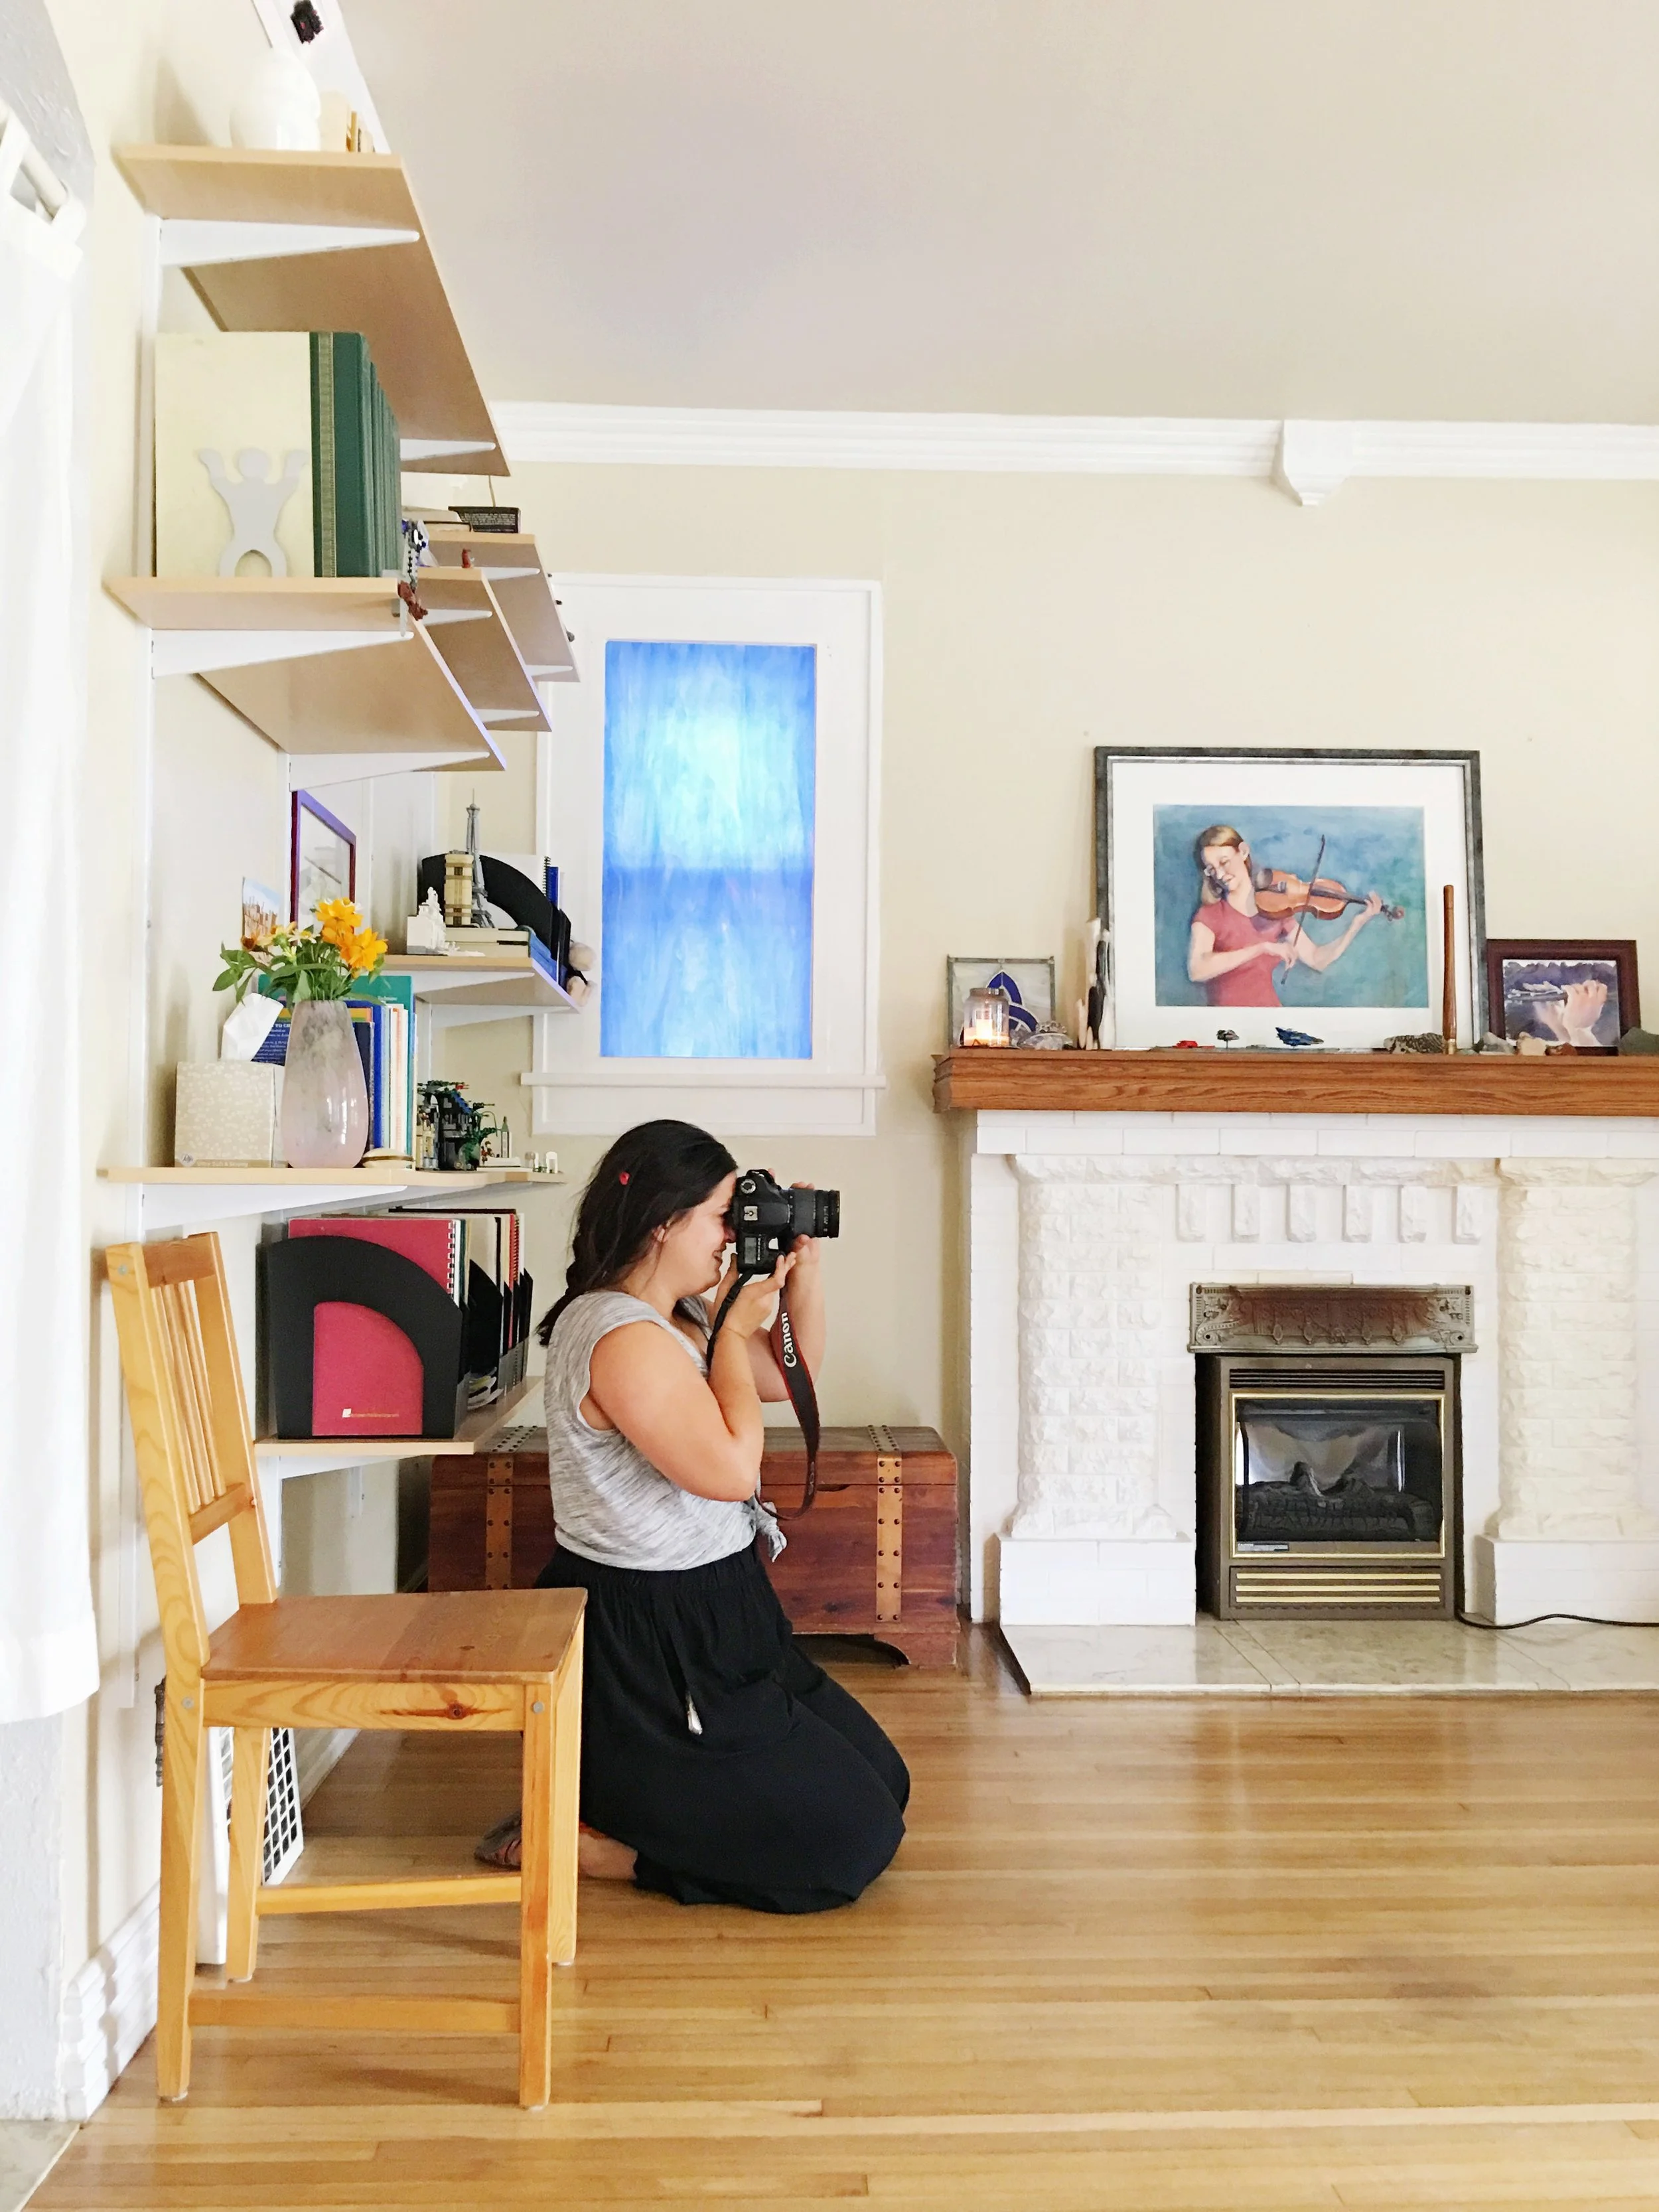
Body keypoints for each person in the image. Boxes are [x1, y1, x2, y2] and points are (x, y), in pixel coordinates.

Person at [475, 1119, 908, 1913]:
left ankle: (640, 1805)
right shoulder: (617, 1335)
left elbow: (785, 1381)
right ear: (663, 1222)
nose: (729, 1237)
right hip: (651, 1634)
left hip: (724, 1605)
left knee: (887, 1783)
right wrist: (736, 1323)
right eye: (721, 1216)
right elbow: (729, 1471)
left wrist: (800, 1275)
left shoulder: (677, 1315)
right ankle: (614, 1850)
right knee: (853, 1841)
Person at [1186, 824, 1383, 1009]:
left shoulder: (1274, 908)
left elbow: (1317, 959)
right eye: (1212, 869)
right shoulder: (1209, 915)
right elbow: (1197, 970)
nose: (1220, 874)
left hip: (1272, 1015)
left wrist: (1357, 924)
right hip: (1227, 1024)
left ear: (1243, 851)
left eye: (1224, 862)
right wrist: (1261, 948)